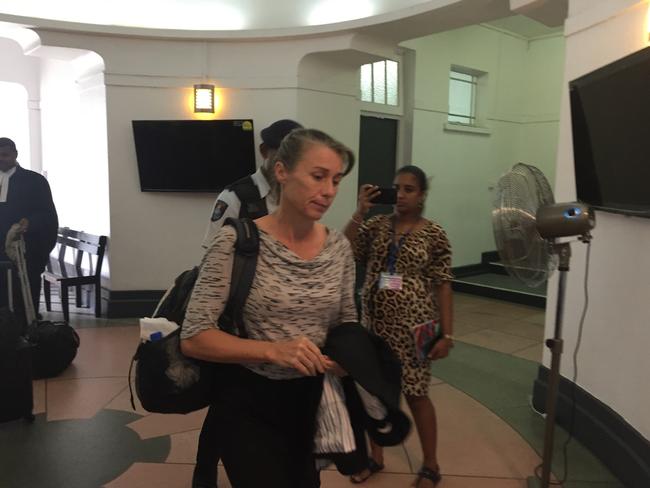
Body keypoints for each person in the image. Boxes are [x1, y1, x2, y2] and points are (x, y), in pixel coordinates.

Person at [181, 128, 357, 488]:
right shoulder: (236, 242)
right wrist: (273, 351)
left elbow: (346, 325)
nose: (329, 191)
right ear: (281, 171)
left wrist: (346, 359)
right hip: (248, 401)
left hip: (311, 401)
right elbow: (195, 336)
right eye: (318, 176)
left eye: (336, 180)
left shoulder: (339, 248)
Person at [192, 118, 303, 488]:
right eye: (282, 155)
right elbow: (211, 257)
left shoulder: (297, 195)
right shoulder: (237, 196)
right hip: (237, 321)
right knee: (227, 400)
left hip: (283, 317)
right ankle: (205, 471)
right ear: (265, 152)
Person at [344, 165, 454, 488]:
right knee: (373, 396)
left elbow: (444, 285)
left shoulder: (434, 234)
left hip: (417, 330)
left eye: (409, 189)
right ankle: (374, 457)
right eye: (397, 188)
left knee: (417, 396)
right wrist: (359, 211)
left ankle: (431, 465)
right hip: (375, 327)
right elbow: (343, 249)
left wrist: (447, 334)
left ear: (422, 196)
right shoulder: (376, 226)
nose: (401, 195)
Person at [201, 119, 303, 249]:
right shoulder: (234, 198)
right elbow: (213, 257)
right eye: (285, 155)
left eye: (298, 158)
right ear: (264, 151)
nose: (292, 164)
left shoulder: (301, 196)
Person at [0, 137, 58, 315]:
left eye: (5, 155)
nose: (1, 159)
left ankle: (27, 331)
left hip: (25, 251)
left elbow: (47, 215)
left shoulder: (35, 181)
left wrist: (29, 223)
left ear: (15, 154)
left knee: (23, 301)